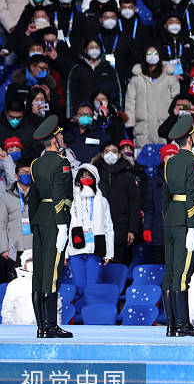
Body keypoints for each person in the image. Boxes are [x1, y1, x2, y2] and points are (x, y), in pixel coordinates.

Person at [161, 113, 194, 337]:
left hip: (171, 220)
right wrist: (192, 226)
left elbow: (165, 197)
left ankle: (171, 324)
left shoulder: (170, 163)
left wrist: (168, 219)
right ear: (190, 137)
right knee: (181, 276)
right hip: (185, 222)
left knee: (170, 274)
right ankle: (182, 324)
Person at [27, 115, 73, 337]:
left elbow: (32, 199)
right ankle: (51, 325)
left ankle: (40, 326)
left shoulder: (36, 164)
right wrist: (63, 226)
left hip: (39, 220)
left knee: (39, 273)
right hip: (55, 221)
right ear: (55, 139)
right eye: (60, 134)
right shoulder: (62, 163)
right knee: (52, 272)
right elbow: (61, 197)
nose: (62, 137)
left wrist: (35, 221)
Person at [66, 164, 114, 299]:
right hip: (75, 250)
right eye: (83, 175)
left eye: (89, 175)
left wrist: (109, 253)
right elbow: (65, 227)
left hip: (95, 250)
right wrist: (64, 253)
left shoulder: (102, 201)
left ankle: (91, 317)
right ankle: (79, 316)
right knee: (79, 286)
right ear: (78, 178)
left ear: (95, 177)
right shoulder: (71, 200)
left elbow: (108, 227)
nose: (86, 178)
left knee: (92, 286)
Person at [1, 251, 63, 325]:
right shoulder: (14, 284)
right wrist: (9, 331)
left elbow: (56, 310)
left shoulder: (49, 283)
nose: (33, 263)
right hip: (19, 330)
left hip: (44, 330)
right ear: (24, 263)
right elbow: (7, 311)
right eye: (29, 260)